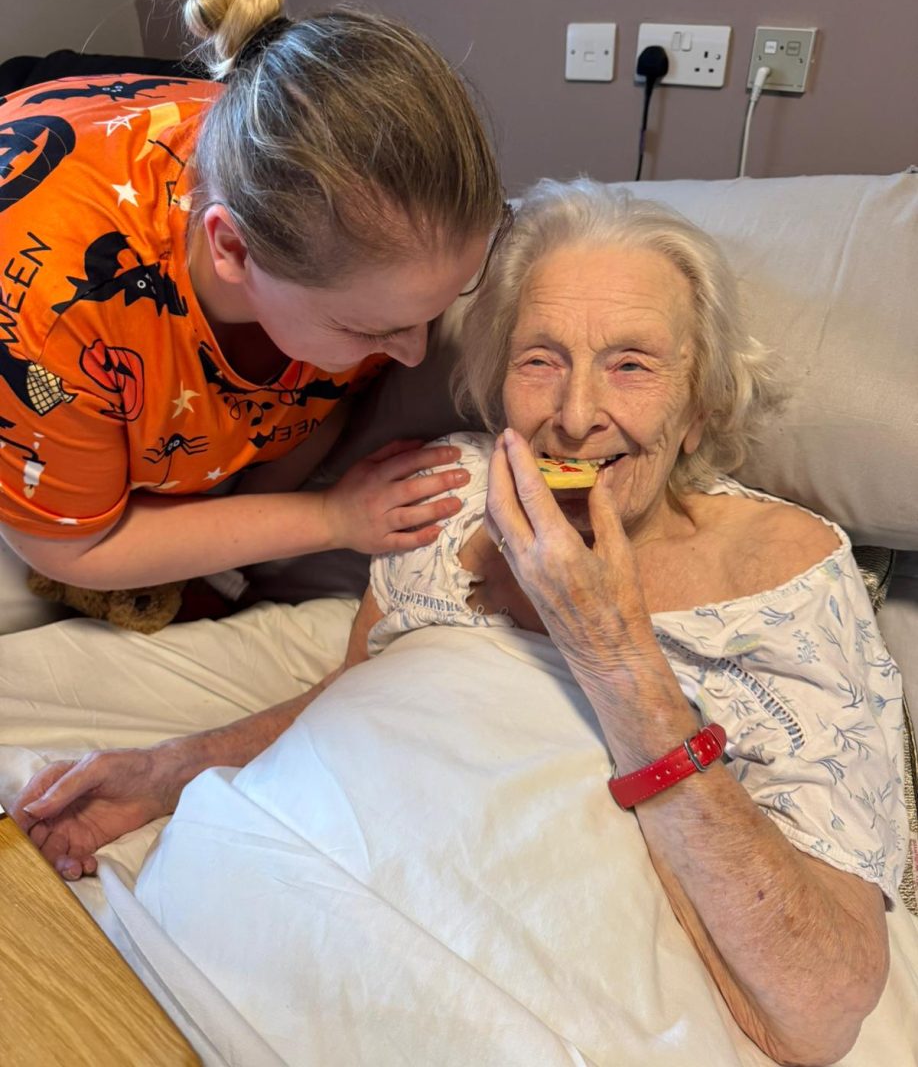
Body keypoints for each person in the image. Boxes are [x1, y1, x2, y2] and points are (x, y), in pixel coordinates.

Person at [11, 182, 906, 1064]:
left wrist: (607, 644)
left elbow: (817, 1010)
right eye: (540, 358)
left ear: (701, 402)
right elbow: (354, 703)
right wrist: (168, 769)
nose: (576, 415)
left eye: (632, 363)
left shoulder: (789, 568)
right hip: (262, 911)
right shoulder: (449, 491)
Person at [0, 0, 508, 592]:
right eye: (371, 329)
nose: (413, 354)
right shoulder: (54, 318)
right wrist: (329, 518)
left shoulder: (359, 255)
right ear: (234, 251)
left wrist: (236, 544)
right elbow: (70, 550)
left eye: (430, 313)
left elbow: (316, 405)